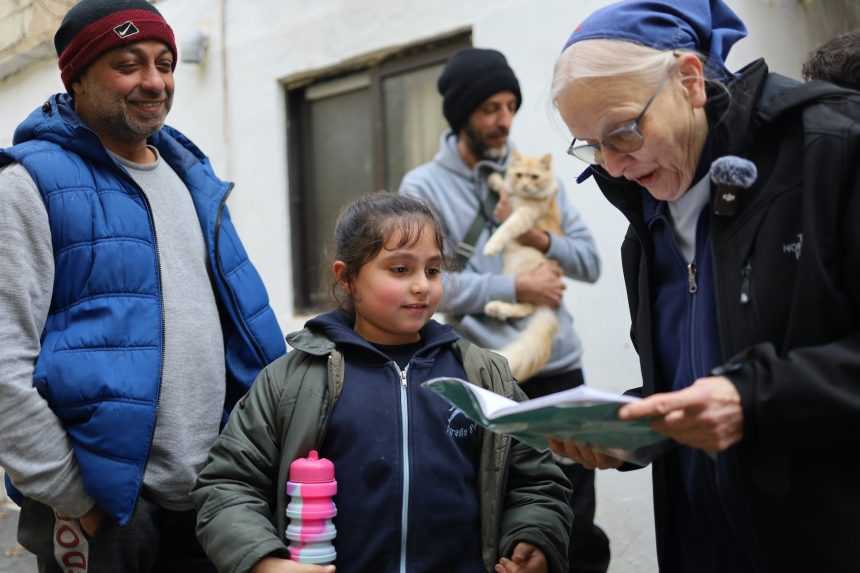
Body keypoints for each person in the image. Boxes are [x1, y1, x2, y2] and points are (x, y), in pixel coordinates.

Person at [548, 1, 860, 572]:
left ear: (689, 80)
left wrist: (753, 400)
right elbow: (702, 376)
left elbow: (745, 388)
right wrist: (635, 427)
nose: (614, 167)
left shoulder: (831, 151)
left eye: (622, 133)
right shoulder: (649, 223)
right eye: (592, 148)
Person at [0, 0, 285, 570]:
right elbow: (4, 362)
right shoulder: (27, 185)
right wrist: (73, 494)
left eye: (164, 62)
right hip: (107, 515)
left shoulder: (192, 179)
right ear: (76, 77)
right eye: (128, 64)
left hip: (214, 500)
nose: (153, 81)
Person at [191, 193, 573, 573]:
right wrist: (263, 561)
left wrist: (532, 538)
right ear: (348, 278)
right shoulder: (293, 380)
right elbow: (228, 484)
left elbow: (538, 483)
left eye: (434, 270)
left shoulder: (483, 376)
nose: (422, 285)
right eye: (400, 270)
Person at [399, 48, 609, 573]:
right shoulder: (423, 188)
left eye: (511, 105)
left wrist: (537, 234)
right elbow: (428, 288)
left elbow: (588, 261)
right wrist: (517, 282)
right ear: (461, 113)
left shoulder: (532, 171)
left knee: (572, 518)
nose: (504, 121)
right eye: (490, 107)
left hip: (559, 368)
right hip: (486, 376)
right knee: (495, 522)